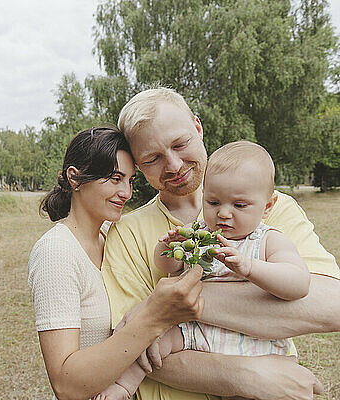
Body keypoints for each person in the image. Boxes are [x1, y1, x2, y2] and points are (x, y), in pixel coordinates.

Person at [102, 87, 340, 400]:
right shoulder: (127, 233)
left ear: (198, 128)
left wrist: (166, 307)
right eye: (153, 157)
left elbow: (331, 305)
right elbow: (130, 345)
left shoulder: (270, 207)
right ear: (138, 165)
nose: (173, 165)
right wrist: (248, 375)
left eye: (180, 143)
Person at [27, 127, 205, 400]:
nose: (126, 192)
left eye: (130, 180)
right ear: (75, 178)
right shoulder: (56, 252)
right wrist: (155, 317)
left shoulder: (110, 236)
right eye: (114, 178)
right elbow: (65, 383)